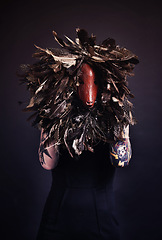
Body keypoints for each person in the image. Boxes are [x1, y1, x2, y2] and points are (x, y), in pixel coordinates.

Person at [36, 63, 132, 240]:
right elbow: (48, 164)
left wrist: (121, 125)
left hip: (101, 218)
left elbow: (121, 161)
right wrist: (50, 121)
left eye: (95, 82)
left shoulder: (113, 117)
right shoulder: (56, 115)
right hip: (58, 216)